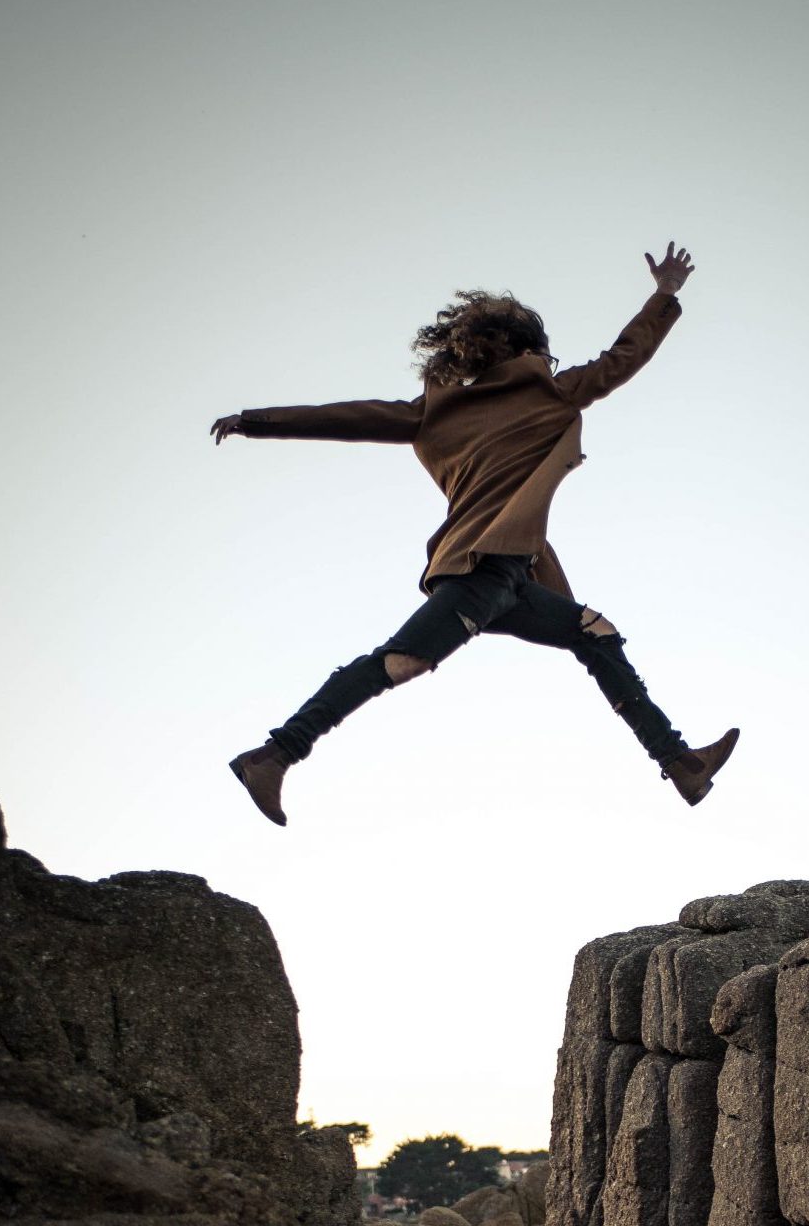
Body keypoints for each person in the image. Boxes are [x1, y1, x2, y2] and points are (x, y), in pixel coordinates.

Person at [210, 243, 739, 825]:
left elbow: (348, 415)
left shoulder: (434, 411)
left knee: (595, 634)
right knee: (402, 661)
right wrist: (663, 295)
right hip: (479, 570)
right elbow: (623, 358)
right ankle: (276, 754)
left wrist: (257, 421)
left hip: (512, 575)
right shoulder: (550, 392)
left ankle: (680, 764)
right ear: (527, 350)